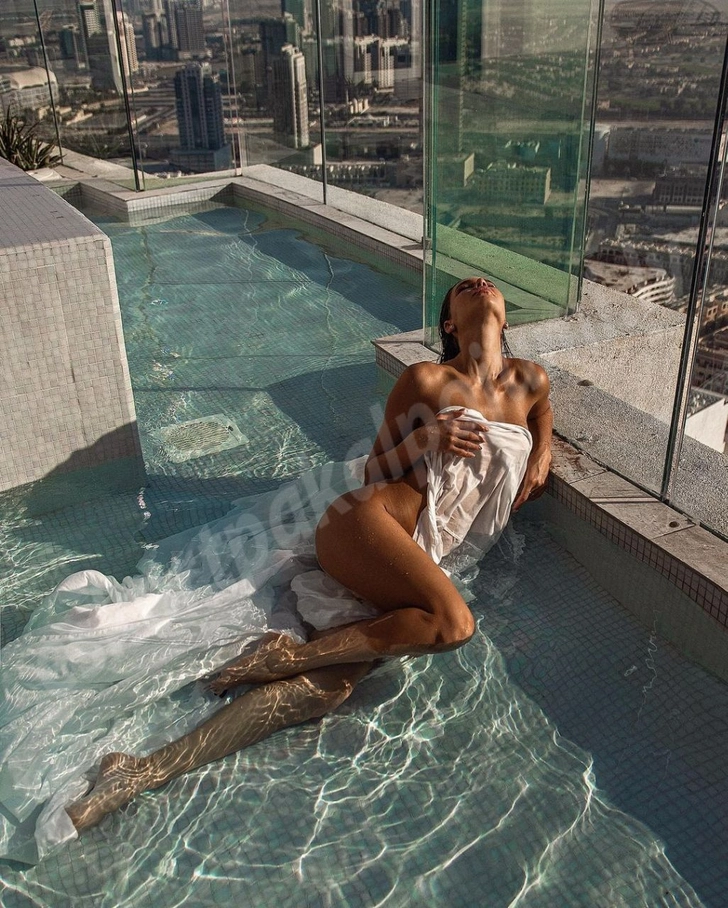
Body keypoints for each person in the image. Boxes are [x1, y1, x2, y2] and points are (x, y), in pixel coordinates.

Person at [66, 276, 552, 833]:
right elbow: (374, 470)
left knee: (329, 688)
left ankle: (139, 771)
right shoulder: (428, 379)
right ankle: (286, 659)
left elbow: (542, 410)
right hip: (369, 526)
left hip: (417, 558)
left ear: (506, 317)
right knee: (454, 623)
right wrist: (425, 440)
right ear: (449, 324)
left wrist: (543, 450)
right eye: (463, 288)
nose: (479, 283)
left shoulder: (530, 381)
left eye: (487, 285)